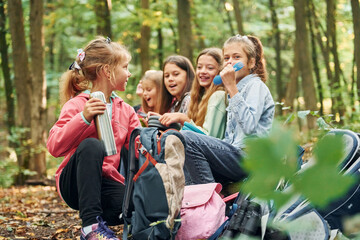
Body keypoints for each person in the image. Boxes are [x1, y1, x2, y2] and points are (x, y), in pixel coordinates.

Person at [46, 37, 140, 240]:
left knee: (139, 203)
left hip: (106, 182)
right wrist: (83, 118)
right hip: (73, 184)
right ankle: (90, 227)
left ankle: (101, 221)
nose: (129, 73)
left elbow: (139, 149)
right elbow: (54, 146)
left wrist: (157, 140)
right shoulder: (77, 105)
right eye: (125, 67)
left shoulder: (127, 111)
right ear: (107, 71)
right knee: (91, 145)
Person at [182, 35, 275, 185]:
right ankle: (196, 202)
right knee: (181, 144)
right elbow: (230, 139)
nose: (230, 62)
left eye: (236, 57)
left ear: (251, 62)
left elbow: (249, 126)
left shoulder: (255, 86)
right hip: (235, 153)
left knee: (187, 138)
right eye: (226, 58)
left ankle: (210, 201)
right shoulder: (236, 91)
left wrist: (231, 87)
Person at [159, 48, 227, 139]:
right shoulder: (200, 96)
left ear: (220, 71)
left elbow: (209, 139)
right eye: (199, 67)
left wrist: (183, 119)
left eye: (210, 68)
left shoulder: (218, 96)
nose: (202, 71)